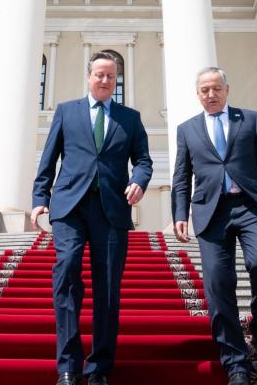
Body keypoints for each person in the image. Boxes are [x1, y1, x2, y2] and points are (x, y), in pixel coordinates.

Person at [31, 51, 153, 385]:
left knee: (108, 288)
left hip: (111, 210)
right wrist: (40, 198)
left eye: (111, 76)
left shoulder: (129, 118)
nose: (104, 80)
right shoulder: (66, 112)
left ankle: (99, 367)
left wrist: (139, 182)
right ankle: (68, 366)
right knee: (67, 274)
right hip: (70, 207)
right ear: (88, 76)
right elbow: (49, 158)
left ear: (117, 80)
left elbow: (143, 159)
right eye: (99, 74)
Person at [172, 66, 257, 385]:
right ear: (198, 94)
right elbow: (181, 177)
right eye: (204, 90)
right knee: (217, 284)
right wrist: (179, 214)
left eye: (216, 89)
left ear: (227, 89)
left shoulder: (249, 119)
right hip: (211, 212)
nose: (210, 94)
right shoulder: (187, 129)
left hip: (251, 206)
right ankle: (235, 363)